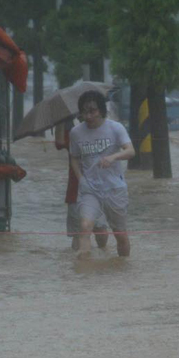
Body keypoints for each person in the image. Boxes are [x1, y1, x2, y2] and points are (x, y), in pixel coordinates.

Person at [69, 90, 135, 257]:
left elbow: (130, 151)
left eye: (92, 110)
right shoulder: (76, 133)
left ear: (101, 110)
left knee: (120, 234)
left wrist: (113, 157)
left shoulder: (115, 128)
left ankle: (124, 269)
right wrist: (81, 179)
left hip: (114, 189)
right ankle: (85, 273)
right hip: (90, 189)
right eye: (84, 111)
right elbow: (74, 158)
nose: (88, 115)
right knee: (85, 227)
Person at [54, 118, 109, 251]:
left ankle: (103, 255)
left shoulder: (103, 132)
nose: (88, 115)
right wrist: (61, 119)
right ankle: (78, 264)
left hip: (99, 188)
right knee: (78, 232)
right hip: (76, 189)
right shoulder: (74, 133)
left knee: (101, 229)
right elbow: (60, 142)